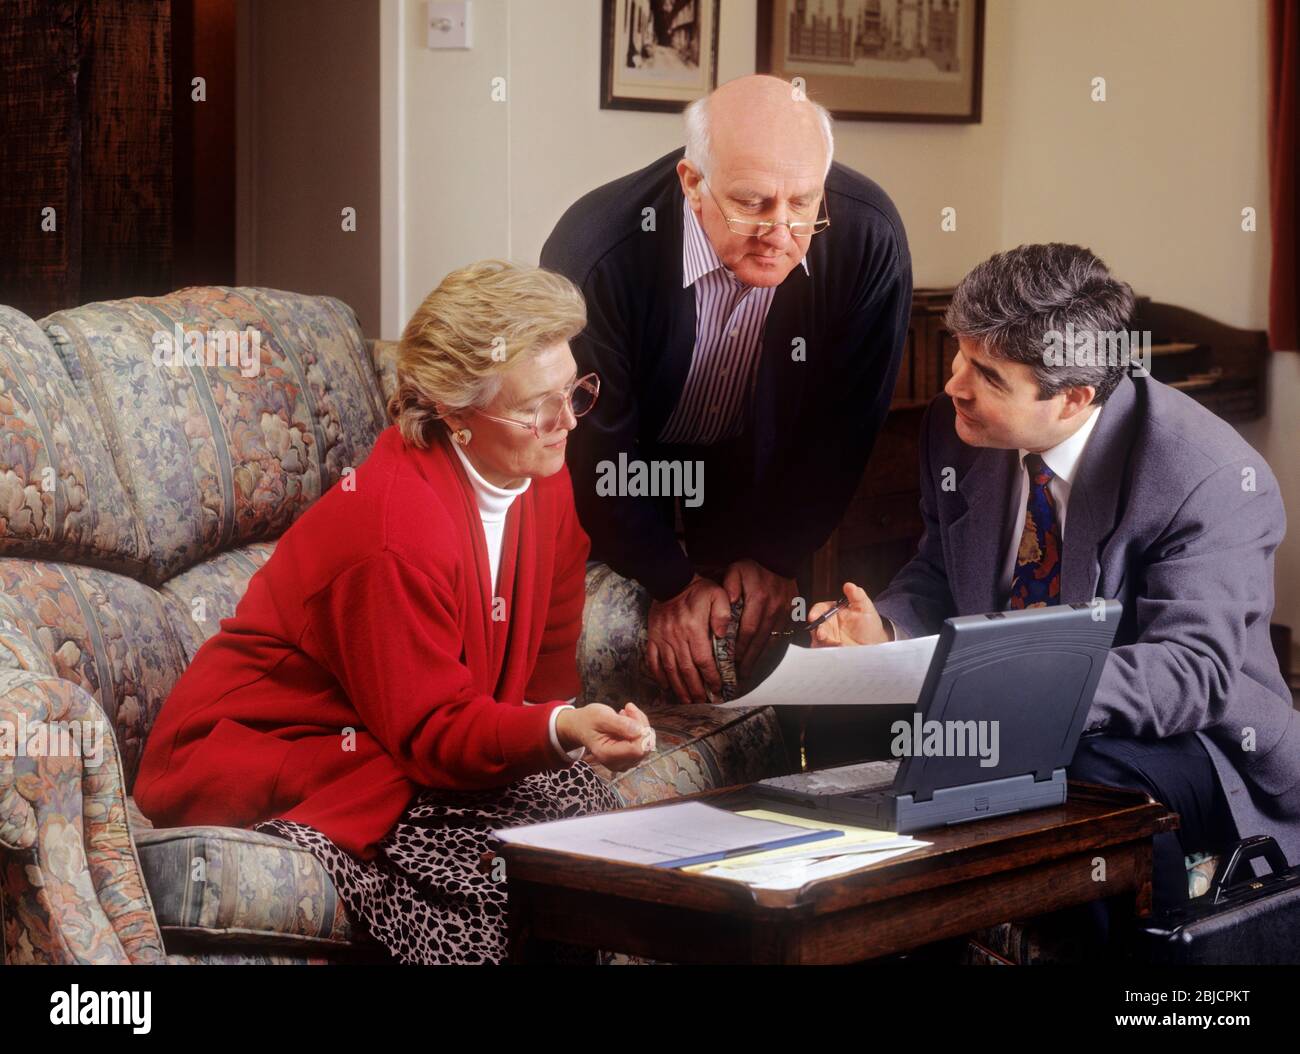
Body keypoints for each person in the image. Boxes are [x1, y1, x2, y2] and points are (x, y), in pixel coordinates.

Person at [134, 260, 654, 965]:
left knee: (598, 840)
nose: (565, 421)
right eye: (539, 404)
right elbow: (434, 732)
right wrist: (557, 729)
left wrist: (570, 727)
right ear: (457, 411)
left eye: (574, 391)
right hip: (284, 745)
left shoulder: (544, 484)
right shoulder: (392, 528)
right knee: (494, 882)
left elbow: (547, 663)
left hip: (408, 739)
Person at [808, 243, 1298, 925]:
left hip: (1188, 741)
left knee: (1082, 776)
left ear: (1072, 398)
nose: (954, 382)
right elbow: (939, 573)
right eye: (959, 352)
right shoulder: (955, 434)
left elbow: (1193, 671)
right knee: (842, 741)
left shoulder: (1205, 476)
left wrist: (1018, 686)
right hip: (1007, 715)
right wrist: (884, 632)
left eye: (986, 373)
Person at [541, 74, 912, 706]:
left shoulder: (869, 235)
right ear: (692, 183)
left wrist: (776, 553)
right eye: (752, 204)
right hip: (631, 458)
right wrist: (671, 583)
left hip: (755, 456)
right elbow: (596, 447)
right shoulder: (598, 251)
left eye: (803, 202)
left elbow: (845, 425)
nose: (781, 230)